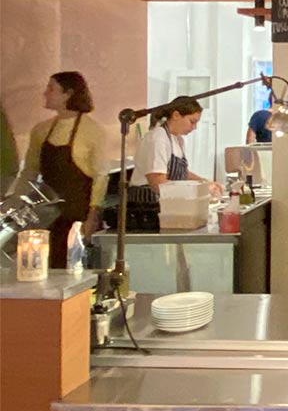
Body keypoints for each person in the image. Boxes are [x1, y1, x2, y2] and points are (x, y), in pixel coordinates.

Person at [9, 72, 107, 267]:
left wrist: (92, 218)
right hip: (46, 217)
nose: (45, 93)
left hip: (76, 216)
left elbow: (100, 177)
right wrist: (12, 205)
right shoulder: (41, 130)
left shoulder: (92, 131)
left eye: (51, 89)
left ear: (68, 94)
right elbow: (29, 172)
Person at [128, 96, 222, 203]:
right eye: (192, 121)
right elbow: (157, 183)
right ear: (176, 115)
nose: (194, 127)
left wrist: (205, 183)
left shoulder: (178, 140)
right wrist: (195, 190)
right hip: (147, 205)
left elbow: (183, 174)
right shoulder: (158, 138)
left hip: (167, 202)